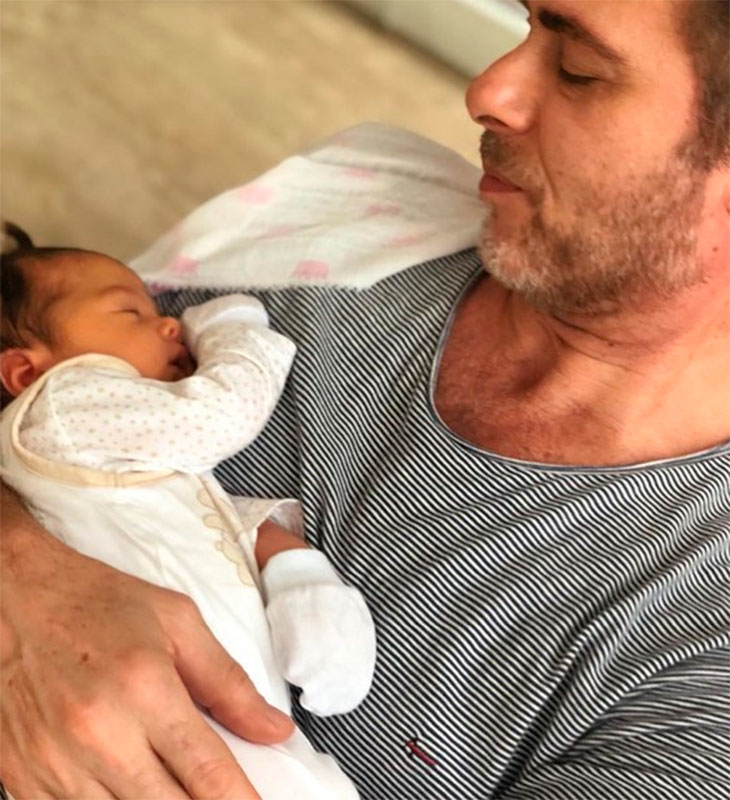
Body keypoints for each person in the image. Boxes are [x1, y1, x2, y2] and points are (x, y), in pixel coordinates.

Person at [1, 0, 728, 798]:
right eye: (528, 25)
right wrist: (19, 572)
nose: (487, 90)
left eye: (579, 69)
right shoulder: (351, 210)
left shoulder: (702, 651)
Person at [0, 229, 373, 800]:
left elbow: (191, 521)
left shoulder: (104, 457)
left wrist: (296, 570)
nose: (171, 325)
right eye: (129, 312)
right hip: (159, 715)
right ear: (26, 373)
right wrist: (232, 327)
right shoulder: (59, 406)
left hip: (216, 718)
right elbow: (219, 413)